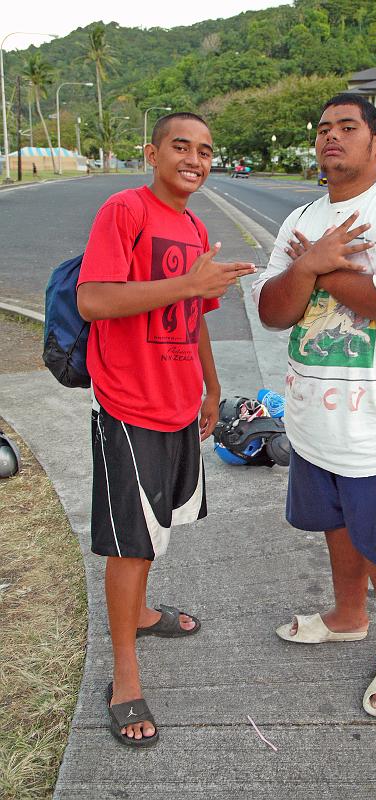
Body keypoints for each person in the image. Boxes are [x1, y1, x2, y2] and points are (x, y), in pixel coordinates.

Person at [252, 94, 376, 719]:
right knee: (336, 523)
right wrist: (307, 264)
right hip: (315, 413)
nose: (331, 137)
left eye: (347, 127)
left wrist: (317, 269)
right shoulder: (303, 217)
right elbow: (273, 310)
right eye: (323, 129)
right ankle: (347, 616)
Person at [77, 112, 256, 746]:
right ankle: (124, 677)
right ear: (153, 153)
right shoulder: (124, 210)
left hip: (180, 400)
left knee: (156, 526)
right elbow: (94, 300)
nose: (196, 159)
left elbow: (196, 314)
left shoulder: (194, 224)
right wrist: (187, 281)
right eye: (182, 146)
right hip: (128, 403)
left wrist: (211, 388)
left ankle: (144, 613)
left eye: (206, 150)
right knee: (127, 540)